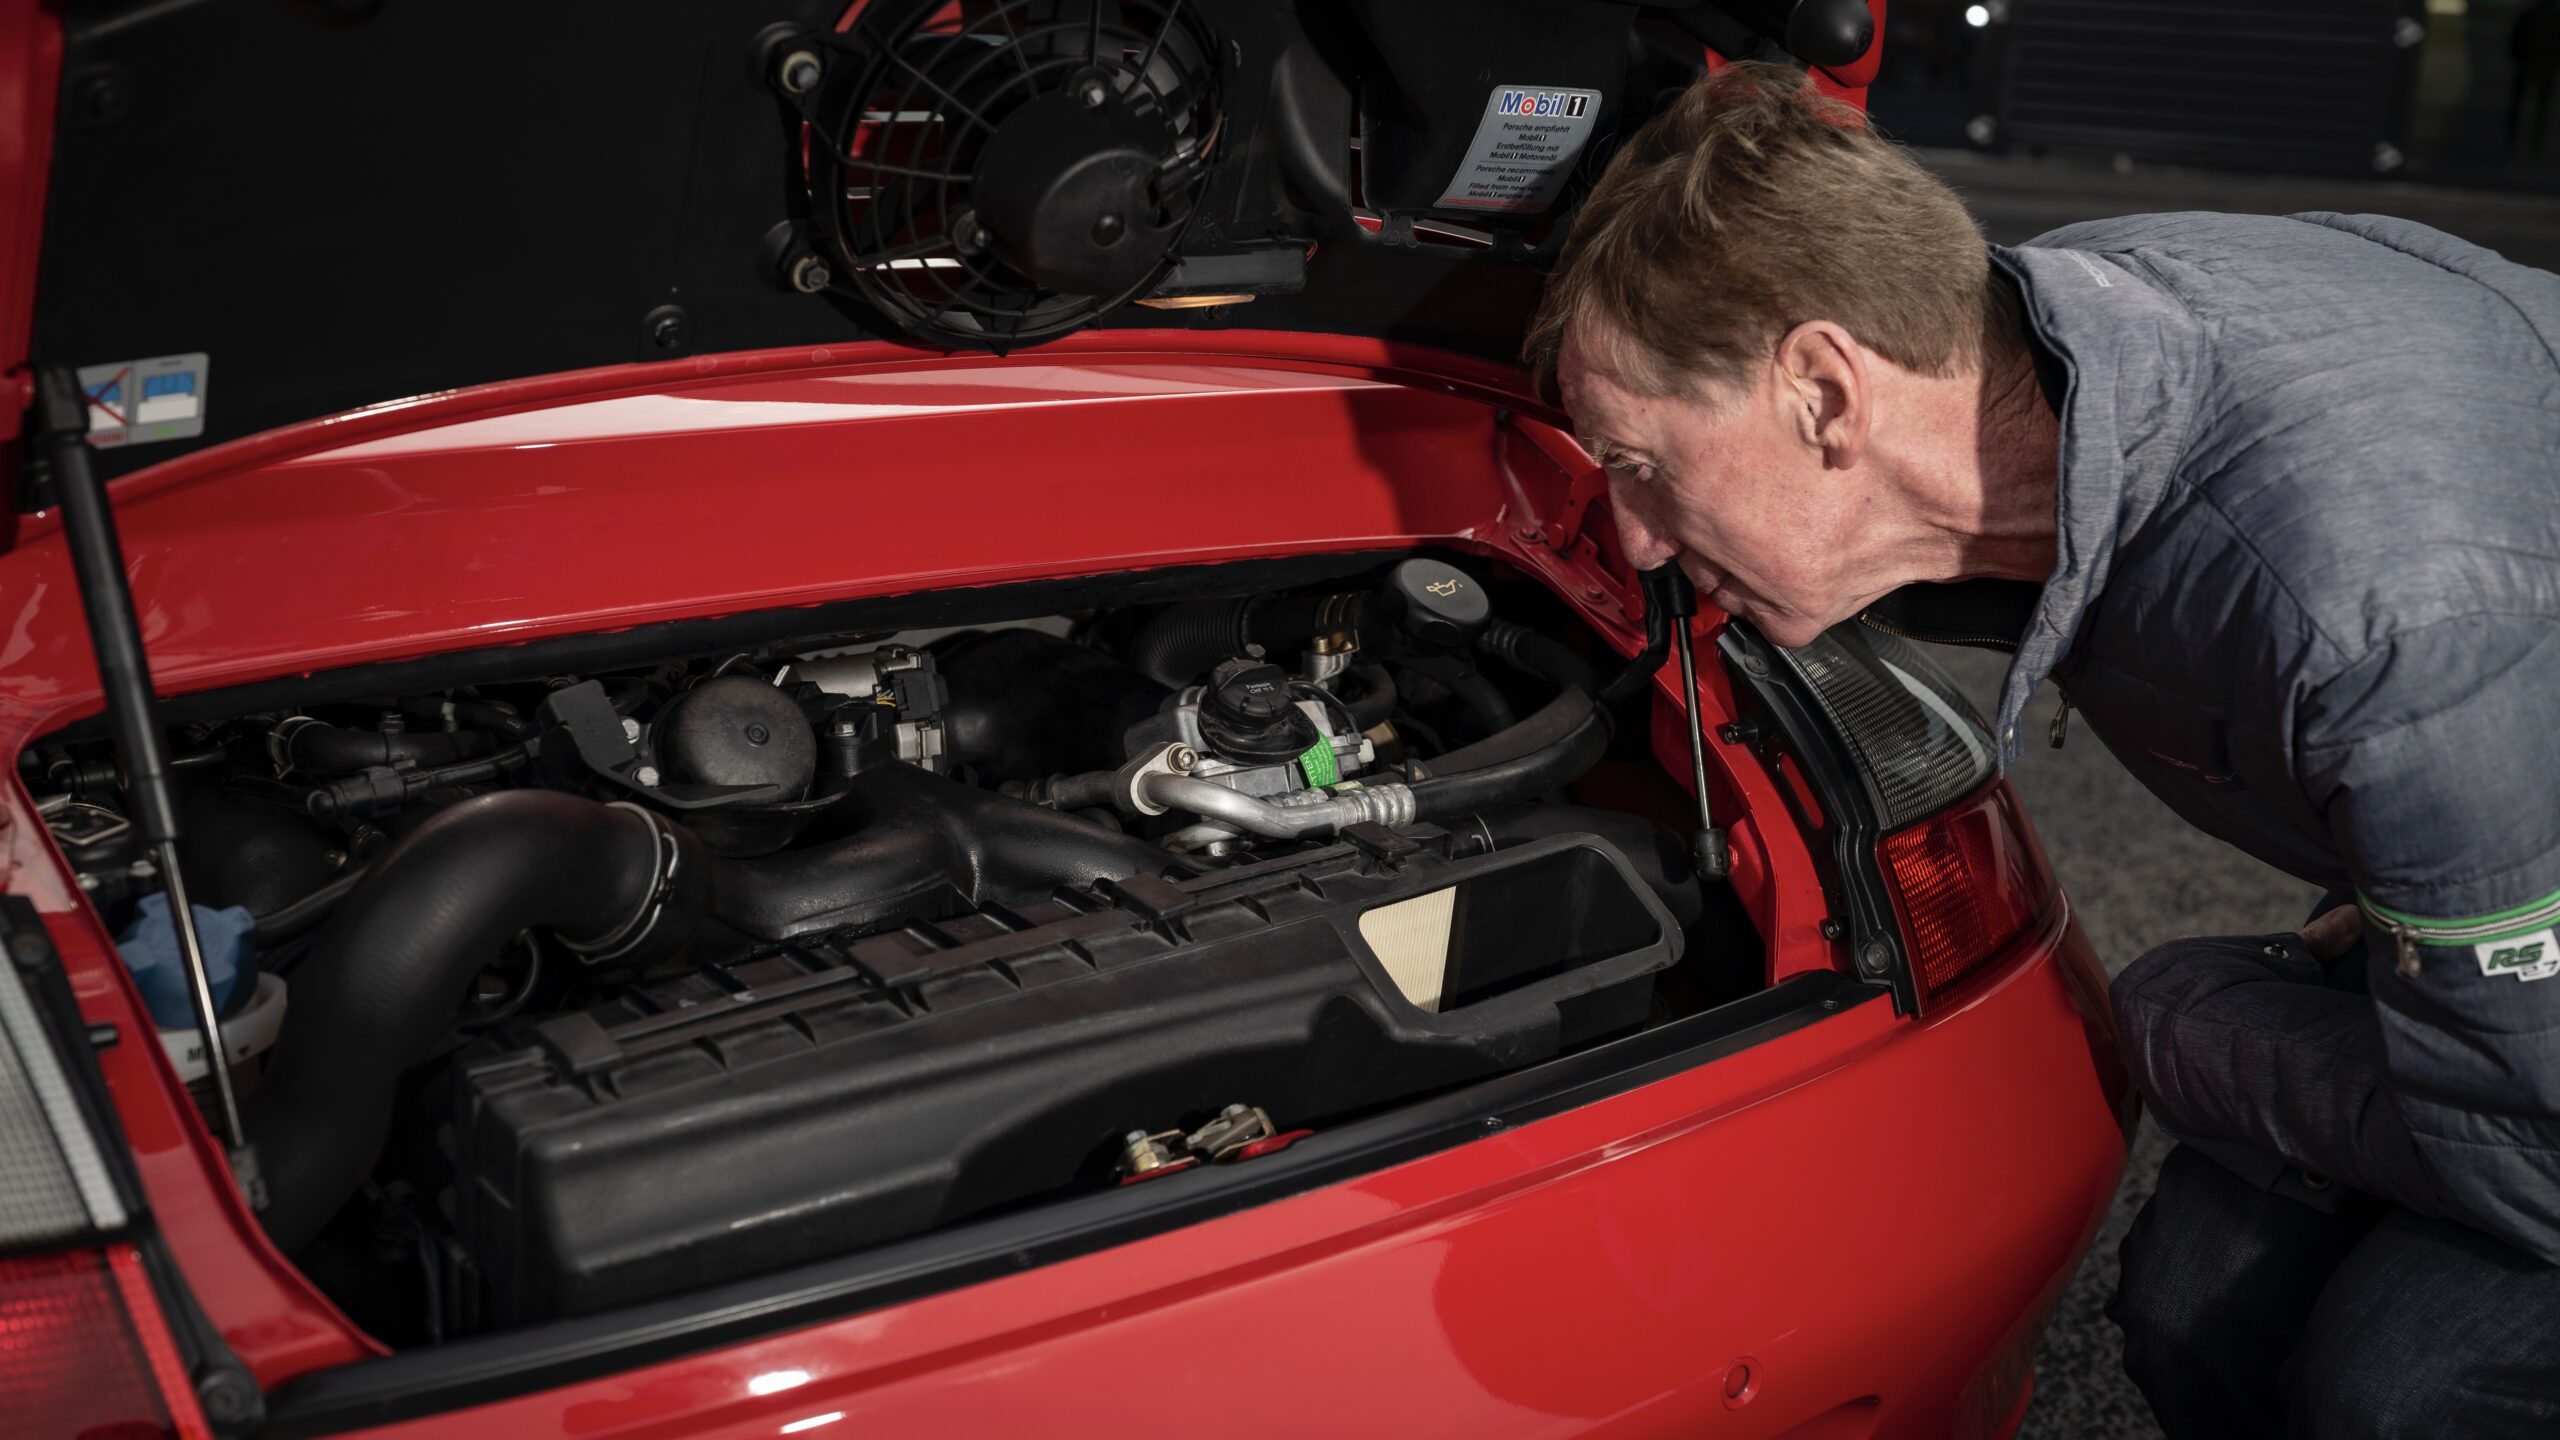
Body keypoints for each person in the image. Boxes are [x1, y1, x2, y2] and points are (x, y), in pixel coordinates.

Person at [1528, 63, 2560, 1438]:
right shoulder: (2055, 348)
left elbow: (2536, 1153)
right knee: (2192, 1304)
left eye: (1639, 464)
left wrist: (2177, 1016)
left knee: (2399, 1388)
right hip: (2502, 806)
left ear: (1825, 391)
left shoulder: (2382, 620)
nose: (1636, 538)